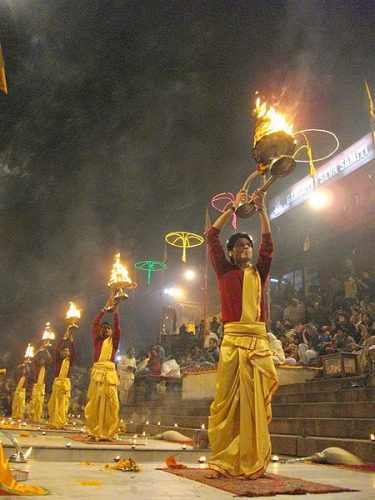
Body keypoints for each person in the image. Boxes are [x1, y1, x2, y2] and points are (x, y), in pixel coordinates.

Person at [206, 188, 278, 479]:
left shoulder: (259, 272)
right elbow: (211, 236)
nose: (246, 248)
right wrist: (233, 209)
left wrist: (262, 210)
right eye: (240, 246)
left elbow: (268, 247)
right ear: (231, 252)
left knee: (255, 407)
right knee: (226, 402)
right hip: (233, 343)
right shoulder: (224, 271)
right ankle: (225, 457)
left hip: (258, 343)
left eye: (249, 245)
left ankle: (252, 456)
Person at [84, 302, 121, 440]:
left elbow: (118, 329)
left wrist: (116, 312)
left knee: (113, 403)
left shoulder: (114, 342)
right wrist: (104, 309)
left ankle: (108, 430)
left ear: (111, 332)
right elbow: (94, 323)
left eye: (108, 328)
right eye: (103, 328)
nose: (105, 329)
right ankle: (95, 430)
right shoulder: (97, 341)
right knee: (95, 403)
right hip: (97, 374)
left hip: (109, 375)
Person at [47, 326, 76, 429]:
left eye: (67, 351)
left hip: (65, 384)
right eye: (64, 351)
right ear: (62, 353)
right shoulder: (58, 361)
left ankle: (62, 422)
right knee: (54, 403)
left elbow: (74, 352)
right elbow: (56, 349)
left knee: (64, 404)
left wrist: (71, 341)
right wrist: (64, 337)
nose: (66, 352)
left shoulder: (69, 361)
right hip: (58, 382)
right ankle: (54, 421)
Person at [29, 342, 52, 422]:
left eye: (43, 360)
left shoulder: (45, 367)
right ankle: (31, 417)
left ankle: (37, 418)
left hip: (42, 386)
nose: (42, 361)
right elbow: (34, 358)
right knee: (34, 401)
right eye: (41, 360)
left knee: (39, 402)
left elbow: (49, 359)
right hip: (36, 385)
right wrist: (40, 348)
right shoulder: (37, 366)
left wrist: (46, 351)